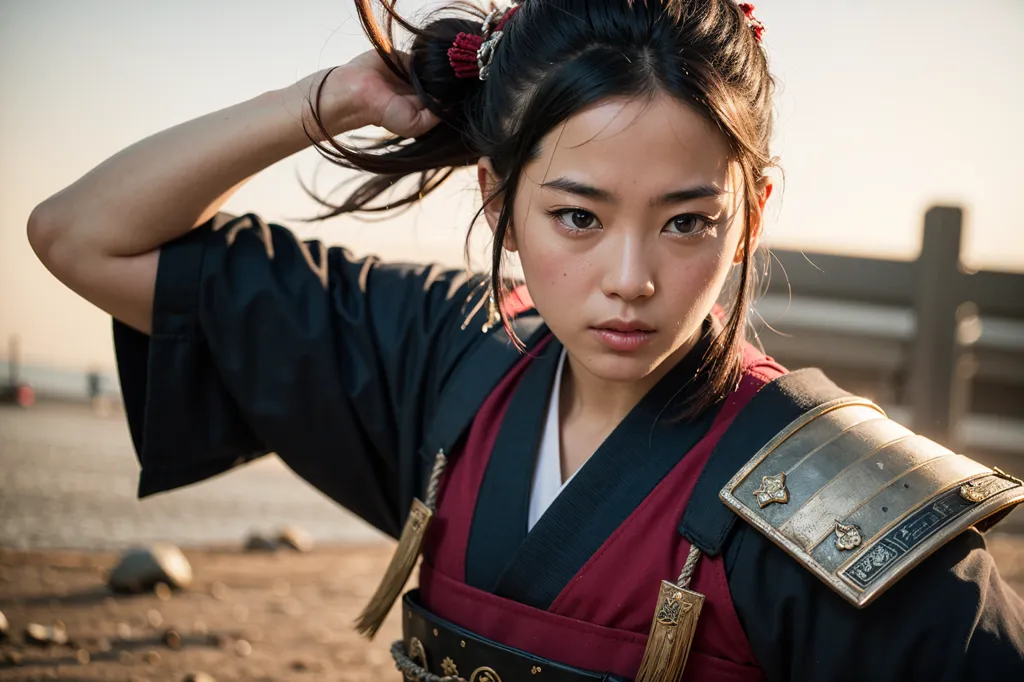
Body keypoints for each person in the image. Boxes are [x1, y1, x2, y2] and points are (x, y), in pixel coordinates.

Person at [27, 1, 1024, 680]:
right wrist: (330, 97)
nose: (629, 278)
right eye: (577, 217)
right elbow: (83, 236)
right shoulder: (448, 358)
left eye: (687, 220)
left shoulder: (838, 501)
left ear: (752, 208)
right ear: (497, 195)